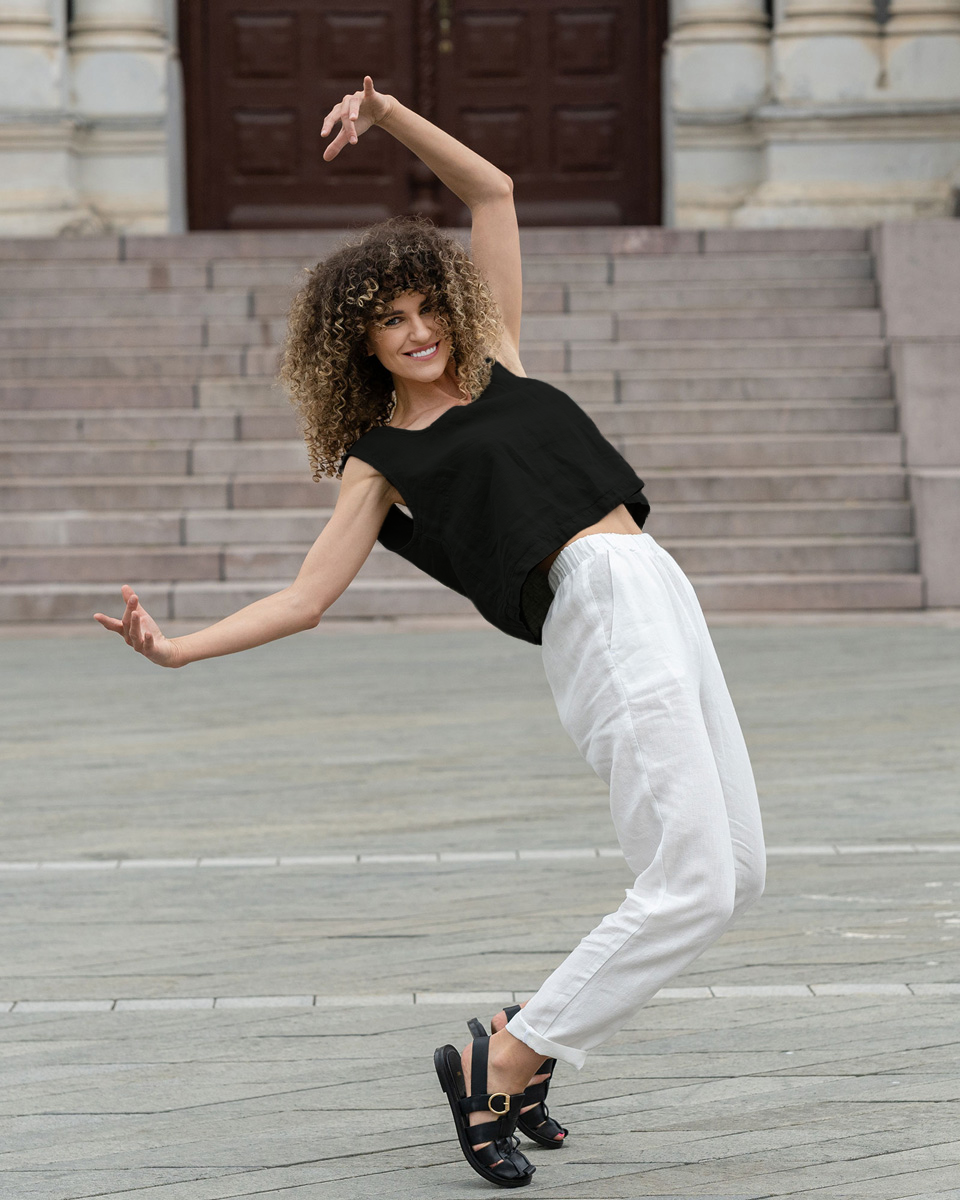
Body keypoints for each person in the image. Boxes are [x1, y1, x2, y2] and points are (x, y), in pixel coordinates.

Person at [94, 76, 766, 1190]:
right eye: (389, 320)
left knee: (736, 871)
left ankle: (523, 1036)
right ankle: (505, 1060)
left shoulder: (497, 355)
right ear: (357, 343)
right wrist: (175, 648)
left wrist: (389, 116)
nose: (416, 331)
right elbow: (305, 598)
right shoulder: (383, 459)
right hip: (594, 607)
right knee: (690, 880)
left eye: (423, 308)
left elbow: (493, 193)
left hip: (656, 583)